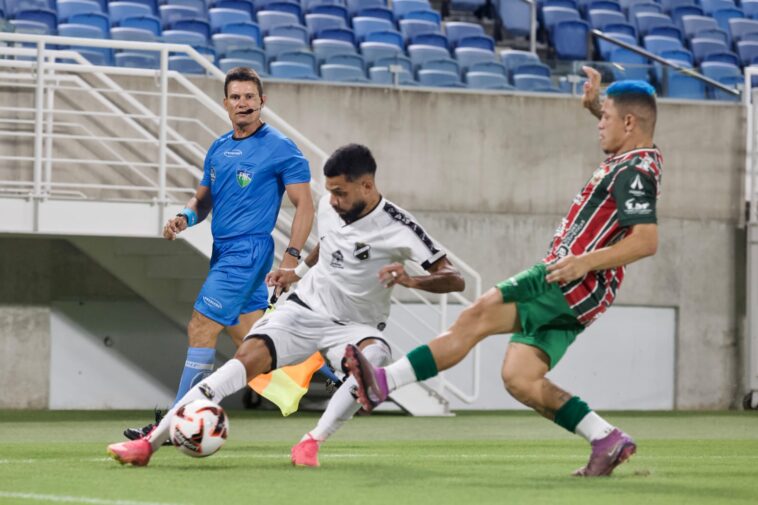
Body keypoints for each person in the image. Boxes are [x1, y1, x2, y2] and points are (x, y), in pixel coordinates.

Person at [345, 70, 662, 477]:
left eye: (606, 117)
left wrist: (584, 261)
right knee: (519, 378)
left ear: (629, 123)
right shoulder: (636, 157)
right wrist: (595, 104)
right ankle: (605, 438)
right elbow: (625, 128)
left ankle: (385, 382)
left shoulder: (634, 173)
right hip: (582, 292)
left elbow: (646, 241)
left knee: (475, 317)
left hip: (567, 279)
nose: (600, 123)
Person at [107, 143, 466, 467]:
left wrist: (410, 280)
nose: (333, 201)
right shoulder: (331, 206)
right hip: (305, 308)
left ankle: (311, 442)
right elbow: (329, 243)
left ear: (367, 186)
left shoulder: (400, 227)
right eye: (330, 192)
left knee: (374, 360)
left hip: (357, 325)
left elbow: (454, 278)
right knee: (245, 359)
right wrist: (296, 273)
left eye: (340, 193)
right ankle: (149, 445)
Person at [124, 67, 314, 440]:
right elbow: (203, 200)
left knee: (201, 325)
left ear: (262, 101)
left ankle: (173, 424)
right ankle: (328, 368)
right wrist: (184, 217)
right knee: (252, 342)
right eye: (236, 97)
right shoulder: (218, 147)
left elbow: (305, 205)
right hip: (224, 249)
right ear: (225, 103)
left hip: (248, 250)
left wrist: (291, 259)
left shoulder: (280, 147)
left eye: (250, 96)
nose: (243, 103)